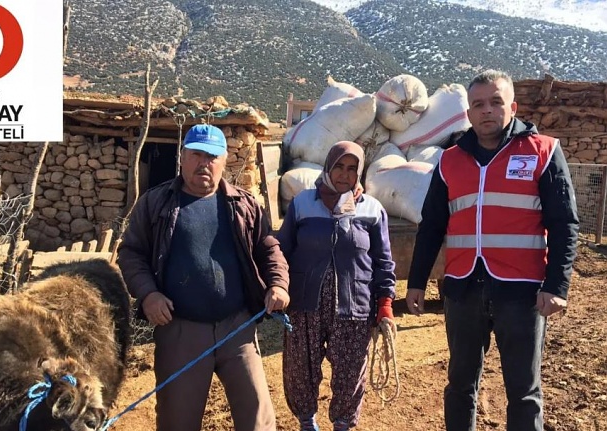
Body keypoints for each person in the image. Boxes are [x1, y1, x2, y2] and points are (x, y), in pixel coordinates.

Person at [406, 69, 579, 431]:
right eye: (478, 104)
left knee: (523, 390)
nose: (487, 110)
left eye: (496, 102)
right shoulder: (450, 161)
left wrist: (557, 286)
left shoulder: (543, 152)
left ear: (512, 106)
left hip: (522, 292)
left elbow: (564, 224)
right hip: (463, 291)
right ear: (468, 113)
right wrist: (417, 282)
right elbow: (432, 225)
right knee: (459, 387)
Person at [117, 123, 290, 431]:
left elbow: (268, 248)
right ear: (182, 157)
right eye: (196, 154)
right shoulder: (156, 204)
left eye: (212, 156)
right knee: (177, 422)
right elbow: (131, 254)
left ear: (224, 162)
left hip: (237, 327)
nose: (204, 163)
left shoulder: (243, 204)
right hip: (180, 330)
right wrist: (148, 294)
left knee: (258, 418)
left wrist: (278, 283)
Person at [277, 141, 397, 431]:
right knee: (300, 370)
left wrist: (385, 304)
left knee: (350, 372)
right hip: (305, 305)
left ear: (359, 173)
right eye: (339, 167)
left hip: (354, 307)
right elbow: (281, 251)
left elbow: (383, 261)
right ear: (328, 168)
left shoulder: (371, 209)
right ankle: (307, 423)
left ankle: (342, 425)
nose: (344, 174)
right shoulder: (303, 204)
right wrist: (277, 287)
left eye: (352, 168)